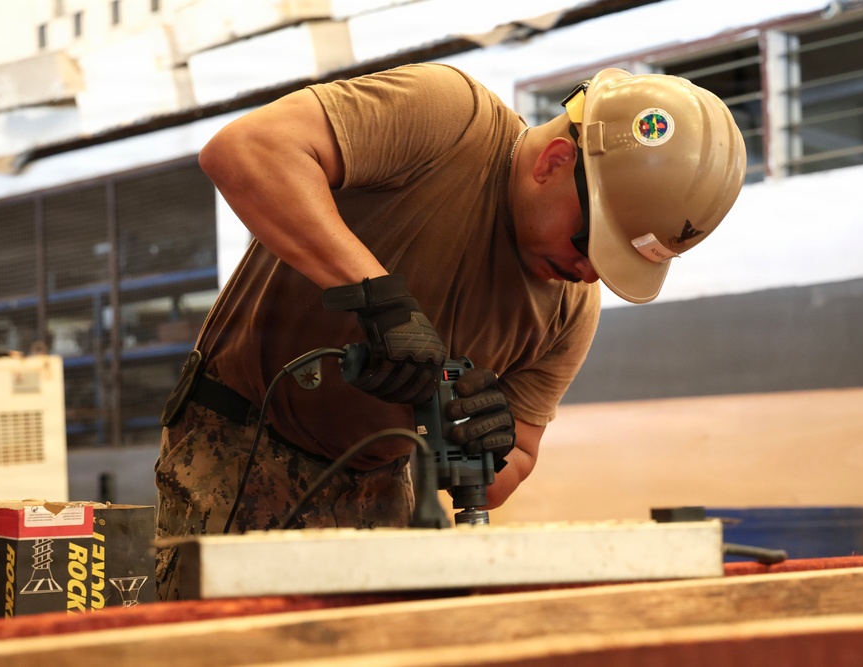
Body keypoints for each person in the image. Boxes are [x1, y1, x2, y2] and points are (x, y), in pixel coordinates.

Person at [153, 63, 746, 600]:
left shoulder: (570, 306)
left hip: (379, 490)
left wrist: (480, 451)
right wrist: (379, 300)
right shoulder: (447, 119)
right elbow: (244, 151)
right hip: (237, 445)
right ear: (554, 162)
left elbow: (511, 466)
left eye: (617, 263)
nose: (591, 271)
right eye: (592, 242)